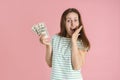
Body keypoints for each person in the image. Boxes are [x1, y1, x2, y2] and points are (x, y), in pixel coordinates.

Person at [39, 8, 90, 80]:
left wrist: (74, 41)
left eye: (75, 20)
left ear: (79, 23)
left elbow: (77, 66)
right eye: (69, 21)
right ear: (64, 23)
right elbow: (50, 63)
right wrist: (48, 45)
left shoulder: (82, 42)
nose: (73, 24)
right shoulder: (55, 38)